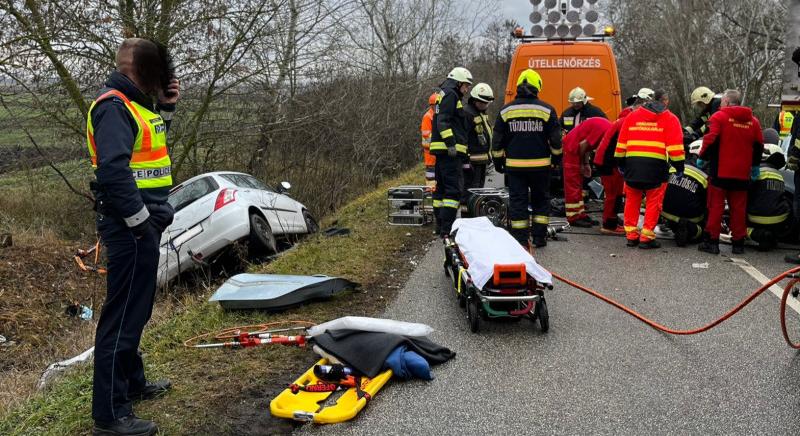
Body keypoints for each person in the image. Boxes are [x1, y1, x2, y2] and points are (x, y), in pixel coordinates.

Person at [87, 38, 180, 436]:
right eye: (157, 75)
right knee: (122, 316)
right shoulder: (113, 108)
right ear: (138, 72)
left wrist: (168, 109)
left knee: (137, 311)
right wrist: (142, 222)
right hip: (131, 229)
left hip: (142, 226)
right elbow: (113, 171)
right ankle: (110, 416)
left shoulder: (136, 106)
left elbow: (149, 151)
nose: (162, 81)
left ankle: (134, 383)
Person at [492, 69, 561, 248]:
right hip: (541, 167)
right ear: (538, 86)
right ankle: (539, 238)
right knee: (540, 201)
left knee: (518, 202)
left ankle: (520, 240)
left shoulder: (506, 110)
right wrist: (556, 160)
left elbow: (497, 140)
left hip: (515, 168)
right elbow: (556, 140)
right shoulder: (547, 109)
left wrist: (498, 163)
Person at [696, 89, 764, 255]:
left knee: (716, 206)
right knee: (738, 209)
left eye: (722, 102)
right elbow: (759, 146)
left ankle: (712, 242)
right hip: (742, 174)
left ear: (726, 102)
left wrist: (702, 157)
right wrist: (754, 167)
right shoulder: (753, 122)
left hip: (720, 171)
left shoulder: (718, 117)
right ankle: (738, 244)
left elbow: (710, 139)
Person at [614, 89, 684, 249]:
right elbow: (676, 148)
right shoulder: (670, 119)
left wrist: (621, 163)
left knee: (632, 201)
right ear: (665, 101)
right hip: (656, 168)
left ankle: (631, 236)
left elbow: (621, 142)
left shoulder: (633, 116)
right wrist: (679, 167)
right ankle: (646, 238)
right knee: (654, 202)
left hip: (632, 166)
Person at [595, 88, 654, 235]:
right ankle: (609, 225)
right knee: (613, 194)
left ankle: (612, 221)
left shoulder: (627, 117)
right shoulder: (629, 120)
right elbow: (625, 144)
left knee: (615, 193)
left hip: (608, 159)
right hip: (608, 161)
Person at [430, 67, 472, 236]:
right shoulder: (451, 95)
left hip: (443, 152)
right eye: (466, 85)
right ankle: (447, 229)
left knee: (440, 191)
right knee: (452, 192)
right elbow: (443, 121)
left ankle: (440, 226)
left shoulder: (445, 94)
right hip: (449, 153)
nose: (467, 89)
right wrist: (451, 144)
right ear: (458, 82)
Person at [561, 116, 612, 227]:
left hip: (576, 149)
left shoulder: (607, 128)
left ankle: (580, 214)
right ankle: (573, 217)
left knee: (578, 185)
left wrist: (586, 164)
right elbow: (582, 145)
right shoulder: (604, 129)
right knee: (573, 185)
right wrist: (581, 164)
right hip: (572, 150)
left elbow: (588, 146)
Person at [747, 132, 791, 251]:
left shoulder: (756, 172)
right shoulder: (779, 175)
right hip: (779, 219)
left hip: (755, 217)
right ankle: (772, 235)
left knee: (736, 223)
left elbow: (745, 194)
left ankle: (757, 234)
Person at [660, 140, 708, 246]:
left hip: (665, 211)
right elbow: (708, 201)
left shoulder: (678, 164)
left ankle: (673, 224)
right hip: (690, 216)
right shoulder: (707, 172)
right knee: (704, 233)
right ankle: (692, 229)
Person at [463, 83, 494, 193]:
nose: (486, 105)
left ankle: (474, 209)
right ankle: (467, 210)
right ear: (475, 100)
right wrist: (465, 161)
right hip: (472, 163)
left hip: (481, 162)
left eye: (487, 103)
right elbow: (462, 138)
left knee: (478, 191)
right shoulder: (467, 113)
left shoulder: (480, 113)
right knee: (471, 191)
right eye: (483, 102)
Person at [420, 92, 438, 189]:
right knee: (431, 182)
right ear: (432, 105)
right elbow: (426, 139)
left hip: (438, 155)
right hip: (430, 156)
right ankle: (431, 197)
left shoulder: (438, 116)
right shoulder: (428, 117)